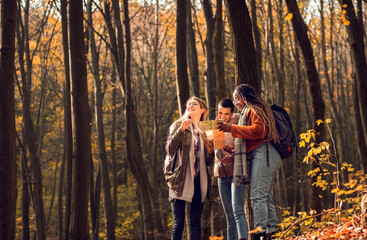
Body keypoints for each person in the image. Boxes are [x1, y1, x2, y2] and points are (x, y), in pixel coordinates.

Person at [219, 84, 281, 240]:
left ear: (243, 97)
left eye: (236, 99)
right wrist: (236, 151)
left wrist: (231, 128)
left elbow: (259, 131)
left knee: (258, 195)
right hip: (262, 152)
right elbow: (255, 137)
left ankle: (261, 233)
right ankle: (272, 231)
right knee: (265, 196)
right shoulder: (252, 109)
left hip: (265, 153)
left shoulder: (255, 109)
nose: (235, 103)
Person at [165, 97, 214, 240]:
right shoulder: (178, 125)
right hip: (180, 179)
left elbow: (209, 161)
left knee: (195, 223)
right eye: (188, 104)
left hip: (199, 180)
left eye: (194, 104)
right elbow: (169, 149)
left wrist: (211, 151)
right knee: (178, 224)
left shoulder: (207, 129)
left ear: (202, 110)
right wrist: (181, 130)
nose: (190, 106)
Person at [214, 99, 244, 240]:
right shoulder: (216, 125)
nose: (223, 116)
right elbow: (216, 151)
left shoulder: (239, 123)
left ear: (232, 113)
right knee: (229, 217)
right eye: (220, 112)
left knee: (238, 212)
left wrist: (233, 155)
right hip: (221, 174)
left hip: (236, 172)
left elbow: (244, 146)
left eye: (226, 113)